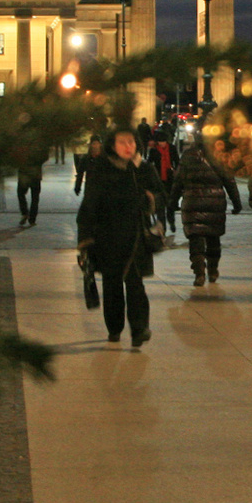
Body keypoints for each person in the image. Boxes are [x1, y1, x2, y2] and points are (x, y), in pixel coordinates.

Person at [77, 128, 165, 347]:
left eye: (132, 142)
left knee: (136, 285)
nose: (129, 146)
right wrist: (85, 241)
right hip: (108, 238)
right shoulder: (101, 169)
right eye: (122, 142)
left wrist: (151, 200)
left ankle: (139, 329)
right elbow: (89, 206)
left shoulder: (143, 169)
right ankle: (114, 328)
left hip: (137, 237)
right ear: (112, 145)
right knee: (113, 285)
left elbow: (162, 195)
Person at [170, 137, 241, 287]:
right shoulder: (220, 156)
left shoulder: (188, 156)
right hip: (215, 203)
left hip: (192, 201)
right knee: (213, 238)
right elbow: (230, 181)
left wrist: (172, 202)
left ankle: (199, 273)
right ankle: (213, 270)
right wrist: (236, 203)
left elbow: (178, 181)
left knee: (195, 240)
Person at [16, 145, 47, 225]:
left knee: (21, 194)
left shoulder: (21, 141)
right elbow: (45, 156)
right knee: (35, 197)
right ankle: (32, 219)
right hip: (35, 174)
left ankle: (25, 213)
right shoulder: (40, 142)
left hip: (24, 173)